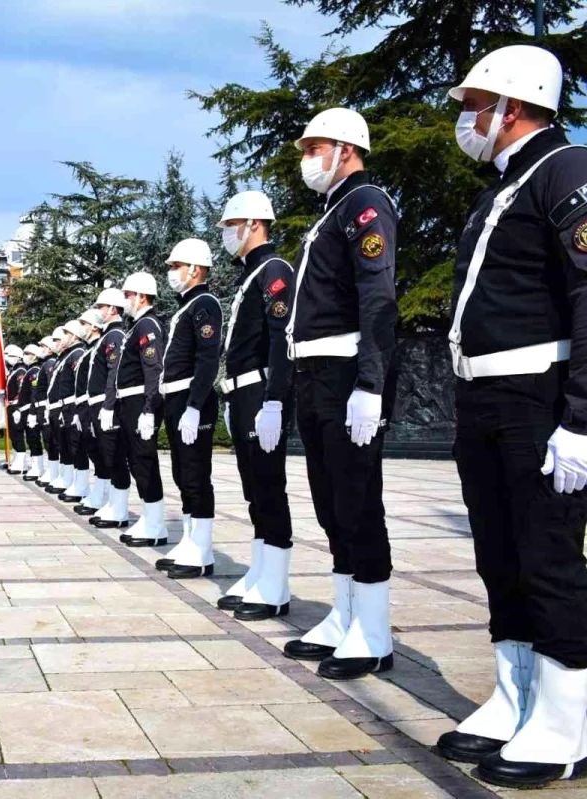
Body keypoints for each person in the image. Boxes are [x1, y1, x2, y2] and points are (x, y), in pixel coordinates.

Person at [432, 46, 587, 789]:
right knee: (500, 556)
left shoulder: (567, 169)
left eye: (475, 104)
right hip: (486, 395)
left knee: (549, 560)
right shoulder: (507, 182)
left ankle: (567, 721)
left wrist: (582, 418)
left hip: (539, 396)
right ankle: (516, 695)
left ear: (514, 105)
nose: (468, 118)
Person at [280, 107, 398, 682]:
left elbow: (378, 296)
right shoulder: (330, 212)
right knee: (330, 503)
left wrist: (370, 383)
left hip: (347, 368)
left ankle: (373, 631)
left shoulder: (364, 203)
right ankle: (346, 612)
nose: (306, 159)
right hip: (315, 372)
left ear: (345, 150)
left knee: (356, 500)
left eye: (313, 147)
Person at [207, 190, 296, 620]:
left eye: (230, 226)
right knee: (253, 490)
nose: (226, 234)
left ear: (254, 223)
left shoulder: (274, 270)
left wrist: (275, 401)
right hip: (242, 392)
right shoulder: (253, 272)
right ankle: (261, 572)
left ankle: (276, 584)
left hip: (261, 391)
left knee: (268, 486)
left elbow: (282, 339)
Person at [153, 239, 222, 568]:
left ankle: (203, 550)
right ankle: (190, 541)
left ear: (195, 269)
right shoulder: (187, 306)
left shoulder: (205, 304)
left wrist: (195, 405)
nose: (171, 272)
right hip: (177, 397)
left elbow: (208, 359)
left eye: (175, 266)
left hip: (194, 398)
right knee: (182, 473)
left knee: (195, 474)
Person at [96, 272, 163, 538]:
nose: (125, 300)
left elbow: (154, 369)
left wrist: (149, 408)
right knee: (136, 462)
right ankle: (150, 519)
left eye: (128, 295)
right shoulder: (137, 326)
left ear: (142, 296)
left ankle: (155, 524)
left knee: (144, 461)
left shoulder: (147, 326)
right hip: (128, 401)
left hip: (139, 401)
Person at [80, 289, 127, 519]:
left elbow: (114, 373)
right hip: (97, 404)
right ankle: (112, 504)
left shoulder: (114, 336)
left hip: (106, 404)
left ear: (113, 309)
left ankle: (118, 508)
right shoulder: (108, 336)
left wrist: (108, 405)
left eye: (101, 306)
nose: (98, 310)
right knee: (106, 455)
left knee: (113, 455)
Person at [66, 309, 105, 503]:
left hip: (96, 405)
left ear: (95, 326)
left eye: (84, 323)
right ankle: (98, 493)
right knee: (90, 448)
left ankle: (104, 496)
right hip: (83, 405)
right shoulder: (88, 350)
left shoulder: (95, 347)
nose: (81, 327)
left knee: (101, 452)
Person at [50, 322, 87, 498]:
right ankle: (69, 480)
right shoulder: (67, 356)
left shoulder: (77, 353)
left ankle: (80, 485)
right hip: (64, 405)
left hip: (72, 405)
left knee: (76, 445)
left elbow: (78, 383)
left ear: (74, 335)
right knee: (65, 444)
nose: (62, 339)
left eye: (66, 333)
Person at [35, 336, 60, 487]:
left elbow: (50, 388)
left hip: (48, 406)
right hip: (43, 406)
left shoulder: (50, 363)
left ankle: (54, 471)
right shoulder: (46, 364)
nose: (41, 349)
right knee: (48, 440)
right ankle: (53, 470)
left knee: (51, 441)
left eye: (44, 346)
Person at [20, 344, 45, 482]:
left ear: (35, 355)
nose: (25, 356)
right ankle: (36, 466)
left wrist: (32, 412)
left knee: (34, 438)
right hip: (27, 409)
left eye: (28, 353)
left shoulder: (35, 370)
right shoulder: (30, 370)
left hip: (32, 409)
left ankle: (38, 467)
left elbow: (34, 393)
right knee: (31, 439)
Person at [4, 345, 28, 473]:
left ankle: (21, 464)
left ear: (18, 357)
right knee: (13, 434)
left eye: (10, 355)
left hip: (17, 406)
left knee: (18, 434)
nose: (7, 358)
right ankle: (16, 460)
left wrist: (18, 408)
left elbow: (21, 389)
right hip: (12, 405)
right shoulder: (14, 370)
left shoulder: (21, 370)